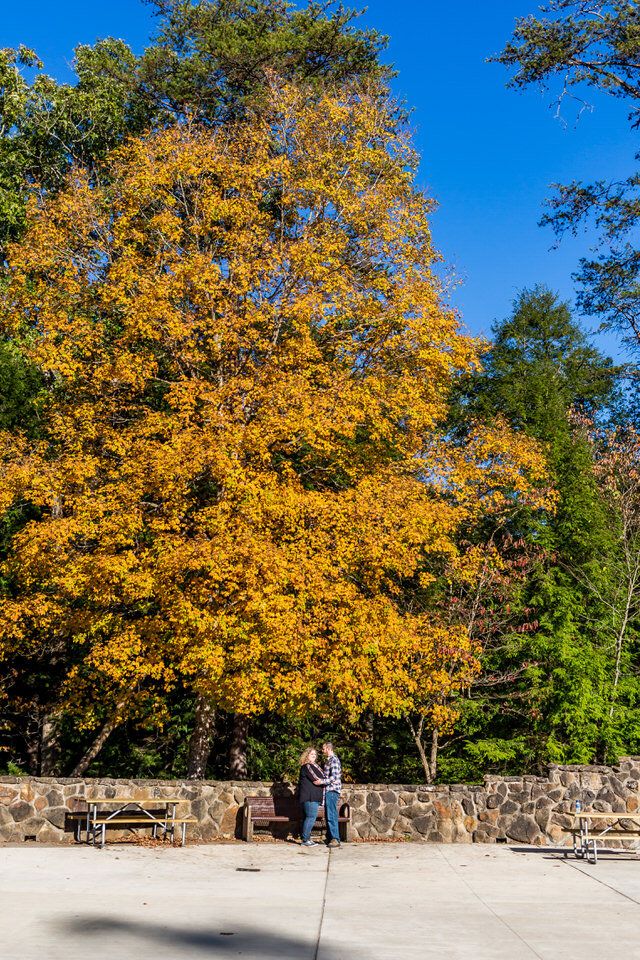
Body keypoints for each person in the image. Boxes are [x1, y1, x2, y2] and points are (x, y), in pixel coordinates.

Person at [297, 746, 325, 847]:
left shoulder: (315, 766)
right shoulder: (307, 766)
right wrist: (325, 780)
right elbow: (316, 779)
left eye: (315, 754)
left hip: (314, 797)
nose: (314, 756)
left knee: (309, 818)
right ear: (307, 755)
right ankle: (305, 840)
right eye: (312, 754)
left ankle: (307, 838)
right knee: (310, 817)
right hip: (310, 797)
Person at [321, 741, 342, 848]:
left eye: (323, 749)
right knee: (328, 814)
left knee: (331, 815)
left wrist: (321, 781)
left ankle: (335, 838)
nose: (322, 751)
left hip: (332, 790)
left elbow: (334, 777)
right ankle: (330, 837)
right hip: (329, 790)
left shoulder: (333, 760)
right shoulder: (328, 760)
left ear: (328, 749)